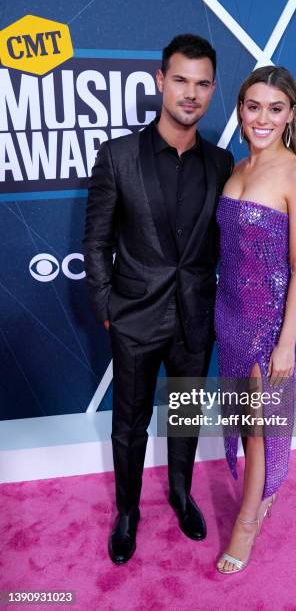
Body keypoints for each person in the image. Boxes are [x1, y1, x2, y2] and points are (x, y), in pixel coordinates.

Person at [83, 34, 234, 564]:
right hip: (133, 317)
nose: (189, 93)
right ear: (159, 81)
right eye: (180, 80)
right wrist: (107, 310)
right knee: (129, 422)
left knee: (186, 416)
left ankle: (181, 492)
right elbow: (97, 241)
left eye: (201, 83)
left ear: (213, 90)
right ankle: (128, 511)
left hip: (195, 319)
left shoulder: (221, 163)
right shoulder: (118, 156)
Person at [215, 66, 296, 573]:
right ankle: (261, 496)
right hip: (229, 312)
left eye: (274, 109)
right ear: (240, 109)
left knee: (259, 427)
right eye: (253, 106)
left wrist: (283, 343)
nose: (262, 117)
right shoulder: (237, 168)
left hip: (269, 322)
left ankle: (246, 524)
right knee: (241, 418)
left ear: (290, 114)